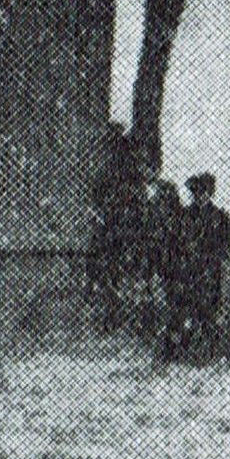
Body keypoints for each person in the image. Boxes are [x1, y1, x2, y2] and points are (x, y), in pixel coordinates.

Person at [85, 122, 141, 331]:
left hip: (119, 227)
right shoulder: (104, 170)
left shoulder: (124, 169)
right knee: (102, 269)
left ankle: (116, 314)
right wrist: (97, 214)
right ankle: (108, 312)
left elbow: (129, 197)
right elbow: (97, 196)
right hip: (108, 227)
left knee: (115, 271)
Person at [174, 173, 230, 361]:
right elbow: (178, 242)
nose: (200, 196)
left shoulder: (220, 217)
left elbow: (226, 245)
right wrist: (186, 254)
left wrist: (212, 258)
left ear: (210, 193)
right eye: (196, 192)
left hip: (210, 270)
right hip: (190, 270)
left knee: (211, 309)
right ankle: (185, 349)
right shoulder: (184, 215)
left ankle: (213, 349)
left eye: (204, 192)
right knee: (189, 307)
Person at [143, 174, 185, 354]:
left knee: (174, 303)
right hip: (157, 262)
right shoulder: (150, 214)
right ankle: (164, 342)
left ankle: (174, 342)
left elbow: (178, 240)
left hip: (173, 264)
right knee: (159, 303)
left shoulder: (176, 217)